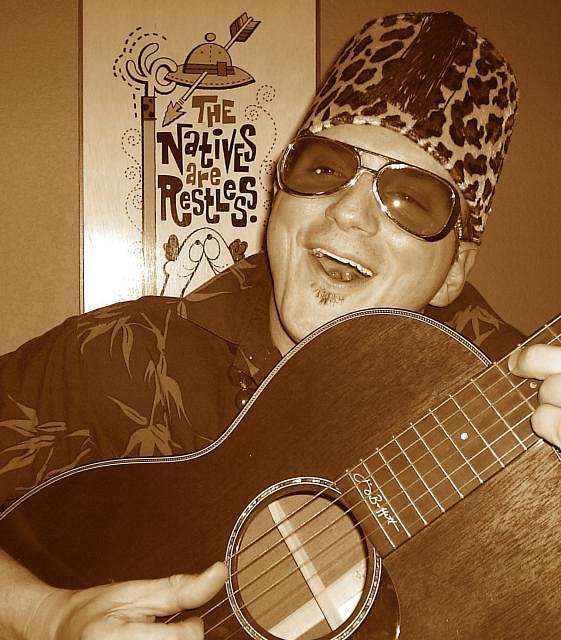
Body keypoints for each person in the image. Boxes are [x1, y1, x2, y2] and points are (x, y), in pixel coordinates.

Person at [0, 10, 560, 640]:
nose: (349, 212)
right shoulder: (117, 356)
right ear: (278, 196)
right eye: (325, 168)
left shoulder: (530, 420)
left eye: (412, 200)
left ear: (454, 268)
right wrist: (42, 615)